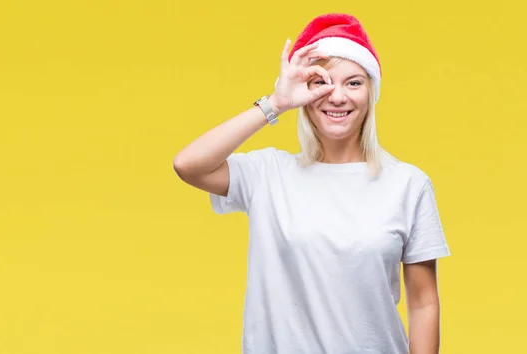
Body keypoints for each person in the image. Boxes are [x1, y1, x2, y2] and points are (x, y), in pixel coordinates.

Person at [173, 13, 451, 354]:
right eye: (322, 82)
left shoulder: (408, 185)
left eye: (353, 82)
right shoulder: (268, 174)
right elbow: (188, 165)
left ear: (370, 92)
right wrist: (275, 104)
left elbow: (423, 302)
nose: (337, 97)